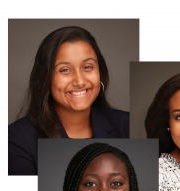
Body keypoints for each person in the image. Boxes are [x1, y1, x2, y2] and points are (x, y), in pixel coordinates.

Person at [8, 26, 129, 175]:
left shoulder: (126, 126)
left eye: (87, 67)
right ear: (45, 78)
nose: (79, 81)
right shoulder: (17, 139)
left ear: (101, 73)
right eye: (65, 69)